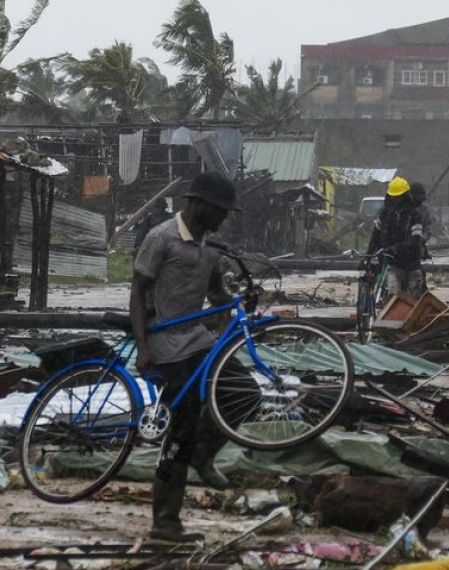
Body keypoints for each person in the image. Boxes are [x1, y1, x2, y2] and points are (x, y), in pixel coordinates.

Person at [131, 172, 246, 542]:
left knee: (244, 394)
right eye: (221, 211)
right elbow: (137, 293)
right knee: (180, 423)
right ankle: (165, 520)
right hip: (164, 341)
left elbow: (216, 293)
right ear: (201, 205)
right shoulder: (161, 237)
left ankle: (203, 453)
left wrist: (232, 310)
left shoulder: (211, 247)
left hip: (197, 339)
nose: (223, 219)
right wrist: (144, 346)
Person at [367, 176, 427, 299]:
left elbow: (416, 240)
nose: (395, 200)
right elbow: (376, 235)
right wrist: (368, 256)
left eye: (398, 197)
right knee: (393, 299)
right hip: (393, 264)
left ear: (405, 196)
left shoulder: (414, 215)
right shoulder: (384, 214)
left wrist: (397, 248)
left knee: (412, 302)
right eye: (393, 196)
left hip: (412, 264)